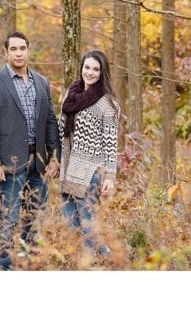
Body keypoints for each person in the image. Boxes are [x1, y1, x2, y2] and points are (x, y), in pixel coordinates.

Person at [0, 31, 61, 270]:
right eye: (13, 49)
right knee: (7, 219)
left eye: (22, 48)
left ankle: (28, 265)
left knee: (34, 219)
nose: (18, 53)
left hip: (39, 163)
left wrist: (54, 157)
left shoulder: (42, 82)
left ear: (28, 50)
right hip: (9, 163)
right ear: (5, 52)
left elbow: (50, 121)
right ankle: (4, 268)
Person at [59, 50, 120, 262]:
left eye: (96, 69)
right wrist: (55, 160)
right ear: (81, 68)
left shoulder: (107, 103)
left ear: (102, 72)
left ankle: (98, 262)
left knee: (87, 223)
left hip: (90, 170)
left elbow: (111, 142)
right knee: (70, 222)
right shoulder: (71, 94)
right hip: (68, 168)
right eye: (87, 67)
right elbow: (62, 130)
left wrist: (110, 177)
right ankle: (104, 258)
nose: (90, 72)